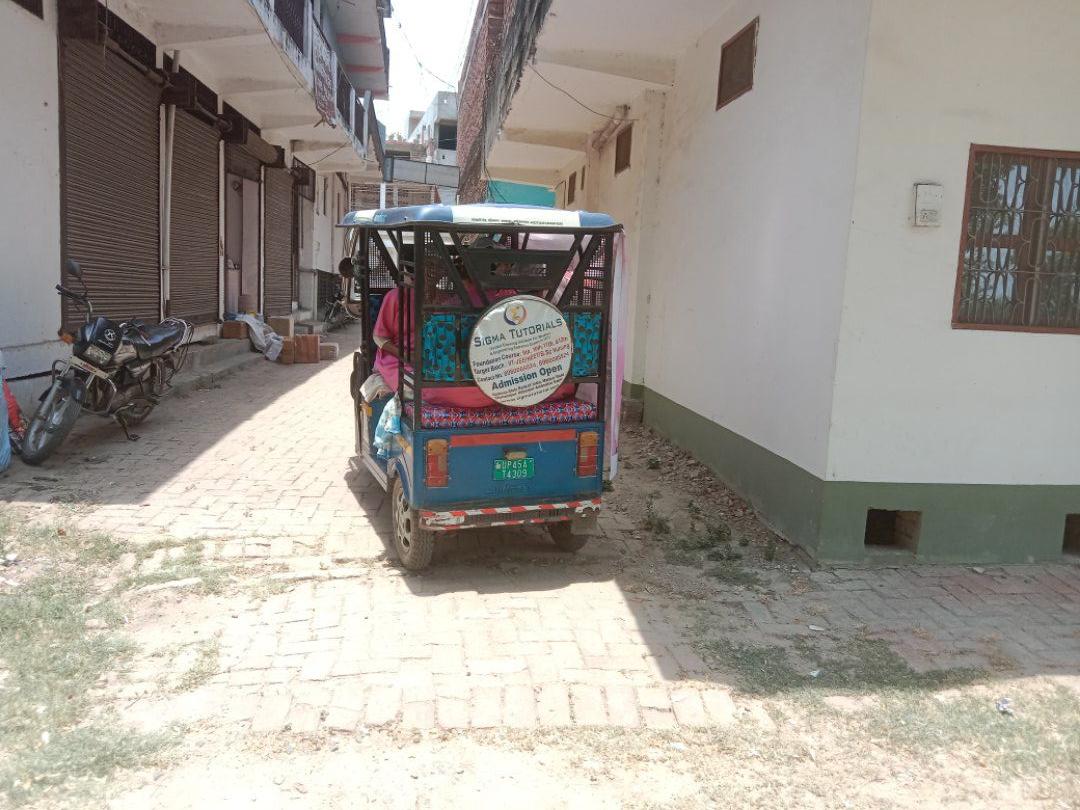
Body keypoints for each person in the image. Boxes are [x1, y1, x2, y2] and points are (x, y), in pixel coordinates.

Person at [372, 249, 575, 408]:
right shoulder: (397, 297)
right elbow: (380, 337)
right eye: (429, 266)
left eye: (438, 266)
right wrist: (408, 355)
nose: (434, 272)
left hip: (448, 359)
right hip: (401, 358)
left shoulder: (449, 298)